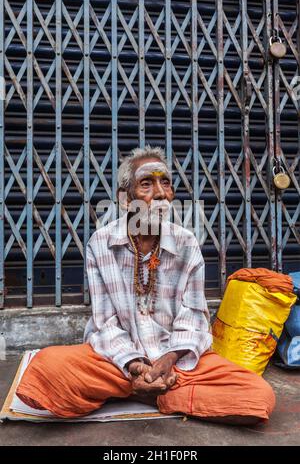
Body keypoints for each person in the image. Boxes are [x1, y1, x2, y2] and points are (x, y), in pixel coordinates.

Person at [16, 146, 275, 424]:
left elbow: (194, 316)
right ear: (125, 200)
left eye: (165, 183)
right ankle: (143, 387)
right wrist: (134, 366)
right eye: (146, 184)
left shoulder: (187, 243)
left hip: (177, 363)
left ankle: (148, 393)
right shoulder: (101, 243)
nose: (161, 194)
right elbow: (105, 321)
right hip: (116, 362)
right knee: (45, 368)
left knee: (258, 396)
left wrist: (168, 360)